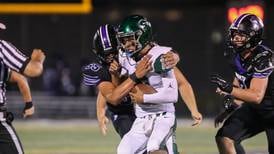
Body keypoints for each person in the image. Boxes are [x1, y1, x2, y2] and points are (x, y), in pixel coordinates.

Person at [116, 14, 202, 154]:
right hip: (141, 118)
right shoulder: (125, 57)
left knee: (154, 148)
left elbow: (175, 90)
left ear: (142, 36)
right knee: (123, 150)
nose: (127, 45)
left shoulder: (160, 57)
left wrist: (194, 109)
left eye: (131, 40)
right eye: (124, 40)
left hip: (163, 116)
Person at [83, 24, 180, 138]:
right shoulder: (100, 69)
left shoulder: (132, 54)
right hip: (123, 111)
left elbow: (161, 56)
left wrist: (175, 56)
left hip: (146, 107)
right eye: (107, 55)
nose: (112, 58)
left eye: (114, 52)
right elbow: (110, 96)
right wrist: (100, 112)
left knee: (157, 143)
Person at [211, 13, 274, 154]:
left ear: (254, 36)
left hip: (271, 112)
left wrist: (229, 89)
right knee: (225, 137)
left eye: (241, 35)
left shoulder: (264, 59)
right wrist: (231, 107)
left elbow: (256, 96)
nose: (236, 38)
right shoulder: (236, 55)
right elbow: (240, 81)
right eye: (234, 34)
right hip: (256, 110)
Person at [0, 22, 45, 154]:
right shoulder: (1, 48)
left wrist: (28, 104)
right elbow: (33, 70)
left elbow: (19, 79)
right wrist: (38, 61)